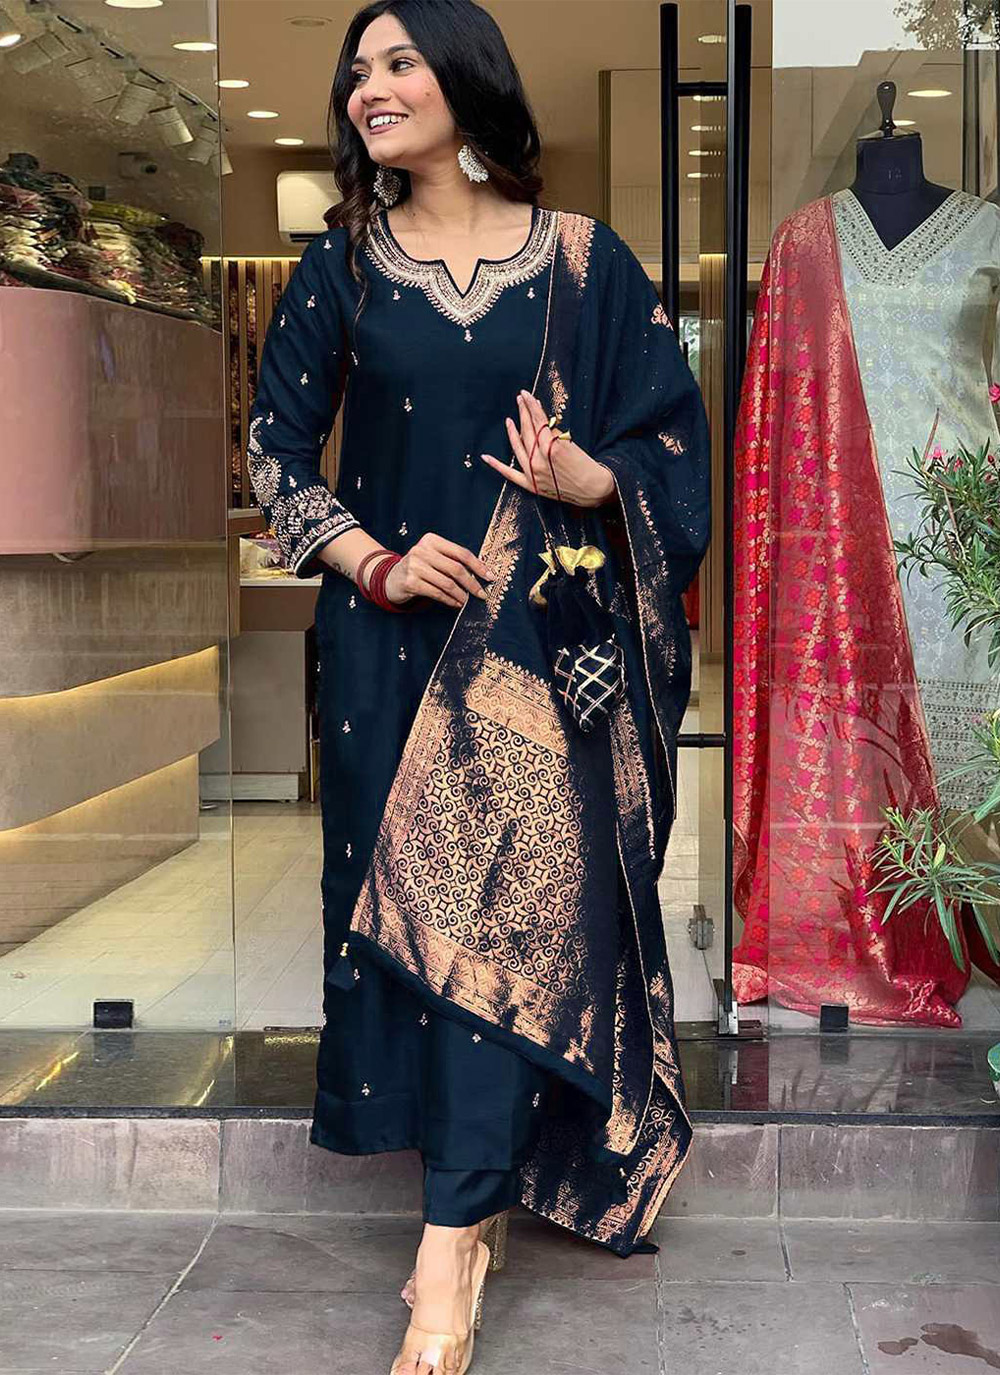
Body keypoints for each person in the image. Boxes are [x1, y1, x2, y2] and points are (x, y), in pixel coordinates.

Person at [246, 2, 710, 1369]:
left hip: (538, 650)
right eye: (358, 71)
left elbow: (673, 440)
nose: (368, 89)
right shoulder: (340, 267)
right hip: (389, 655)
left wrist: (594, 476)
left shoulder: (586, 264)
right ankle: (467, 1199)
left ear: (465, 79)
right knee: (425, 926)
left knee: (507, 925)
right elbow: (273, 451)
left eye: (398, 63)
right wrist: (377, 563)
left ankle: (449, 1249)